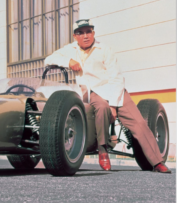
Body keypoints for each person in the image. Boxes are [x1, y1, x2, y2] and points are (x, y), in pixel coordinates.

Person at [45, 19, 171, 173]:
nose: (85, 36)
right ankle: (103, 150)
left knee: (138, 122)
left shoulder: (104, 49)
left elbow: (116, 77)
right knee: (102, 109)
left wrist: (113, 105)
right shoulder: (70, 49)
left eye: (88, 31)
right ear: (75, 36)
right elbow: (49, 59)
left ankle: (157, 162)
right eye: (80, 33)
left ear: (93, 33)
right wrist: (69, 61)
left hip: (115, 89)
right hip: (94, 92)